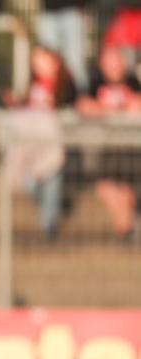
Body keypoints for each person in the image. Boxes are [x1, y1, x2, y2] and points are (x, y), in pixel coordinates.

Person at [4, 46, 76, 239]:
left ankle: (49, 226)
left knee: (52, 184)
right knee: (30, 183)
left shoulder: (63, 85)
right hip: (32, 143)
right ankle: (47, 216)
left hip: (52, 142)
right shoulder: (32, 85)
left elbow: (68, 102)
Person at [77, 45, 141, 239]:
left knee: (128, 191)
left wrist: (113, 108)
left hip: (132, 148)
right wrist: (114, 110)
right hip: (108, 147)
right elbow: (84, 105)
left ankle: (126, 230)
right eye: (110, 62)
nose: (114, 66)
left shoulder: (132, 81)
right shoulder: (95, 81)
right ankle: (126, 229)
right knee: (107, 187)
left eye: (117, 61)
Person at [37, 1, 90, 93]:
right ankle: (50, 95)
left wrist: (82, 5)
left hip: (71, 10)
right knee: (48, 62)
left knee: (74, 61)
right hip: (48, 11)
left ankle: (81, 94)